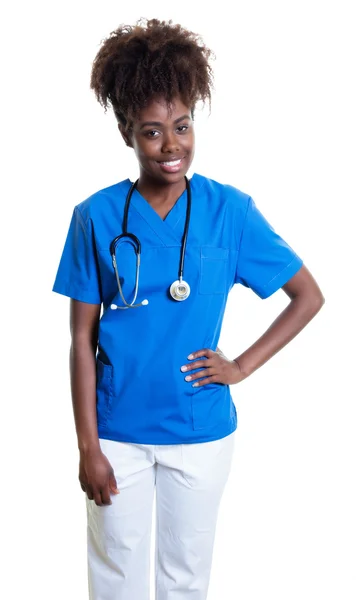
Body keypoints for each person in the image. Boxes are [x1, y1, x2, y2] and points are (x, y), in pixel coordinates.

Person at [52, 17, 324, 600]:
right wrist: (87, 447)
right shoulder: (94, 217)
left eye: (181, 127)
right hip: (117, 430)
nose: (171, 145)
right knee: (116, 578)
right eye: (152, 132)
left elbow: (307, 296)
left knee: (185, 580)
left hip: (199, 429)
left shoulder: (230, 210)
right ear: (128, 132)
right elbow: (80, 339)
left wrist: (241, 367)